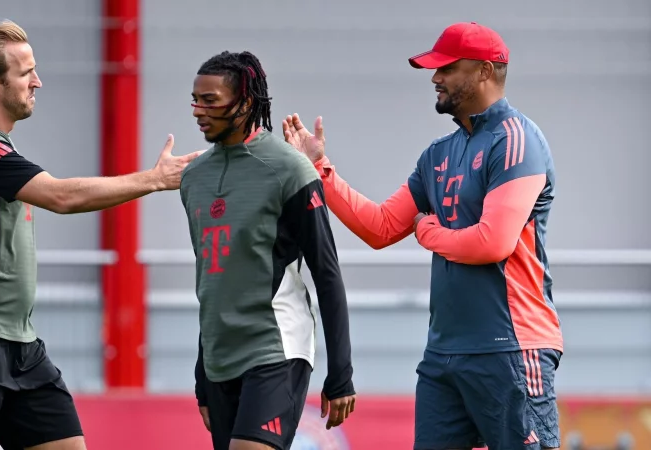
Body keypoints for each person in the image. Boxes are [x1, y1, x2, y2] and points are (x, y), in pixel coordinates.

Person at [0, 20, 201, 450]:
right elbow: (61, 196)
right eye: (26, 73)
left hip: (20, 342)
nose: (38, 81)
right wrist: (154, 179)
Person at [282, 22, 563, 450]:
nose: (435, 78)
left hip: (511, 348)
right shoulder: (438, 153)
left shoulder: (518, 140)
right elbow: (379, 227)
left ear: (485, 71)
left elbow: (493, 243)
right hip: (443, 355)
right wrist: (319, 170)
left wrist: (428, 233)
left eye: (447, 68)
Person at [181, 50, 357, 450]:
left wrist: (340, 372)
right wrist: (201, 377)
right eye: (195, 99)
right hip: (219, 360)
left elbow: (326, 273)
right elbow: (210, 279)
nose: (197, 110)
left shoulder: (290, 169)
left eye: (210, 100)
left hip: (276, 348)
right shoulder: (193, 177)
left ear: (244, 103)